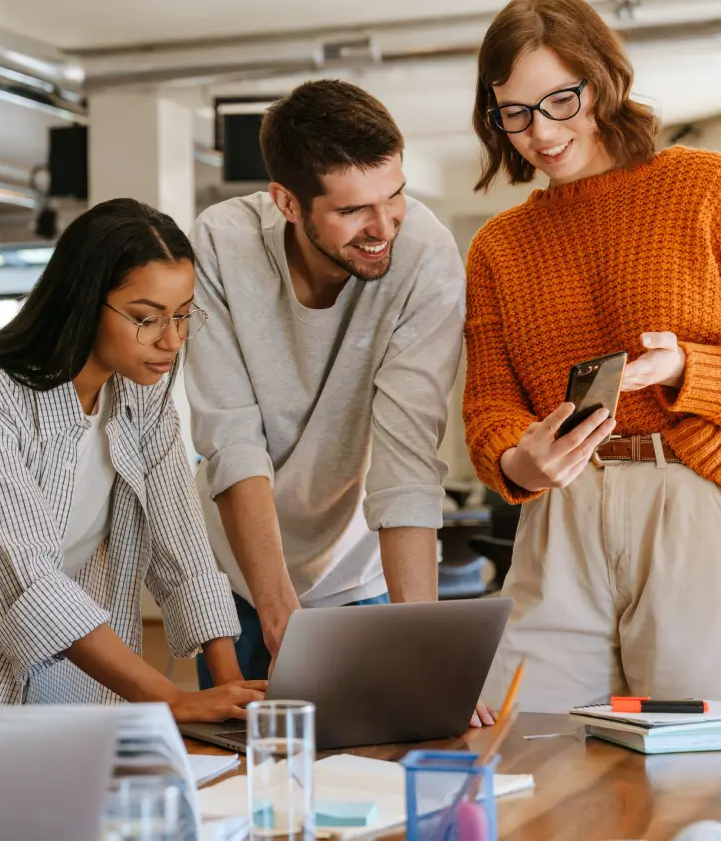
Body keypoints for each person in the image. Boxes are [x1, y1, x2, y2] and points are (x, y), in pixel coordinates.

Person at [464, 0, 721, 724]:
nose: (540, 132)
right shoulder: (499, 246)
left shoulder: (707, 186)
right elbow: (491, 403)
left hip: (701, 498)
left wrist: (694, 369)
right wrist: (517, 462)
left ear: (600, 83)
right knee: (527, 748)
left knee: (714, 777)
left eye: (560, 101)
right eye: (516, 113)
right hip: (560, 515)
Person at [0, 199, 264, 720]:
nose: (171, 340)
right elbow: (30, 583)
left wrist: (232, 695)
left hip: (53, 685)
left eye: (183, 315)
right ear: (82, 300)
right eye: (147, 319)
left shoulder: (140, 394)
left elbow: (183, 547)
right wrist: (172, 699)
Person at [185, 79, 494, 724]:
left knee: (385, 776)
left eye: (396, 195)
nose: (385, 228)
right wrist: (278, 617)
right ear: (287, 204)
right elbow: (232, 441)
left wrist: (426, 654)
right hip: (240, 582)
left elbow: (408, 457)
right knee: (245, 797)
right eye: (353, 211)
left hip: (364, 584)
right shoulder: (220, 243)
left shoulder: (425, 257)